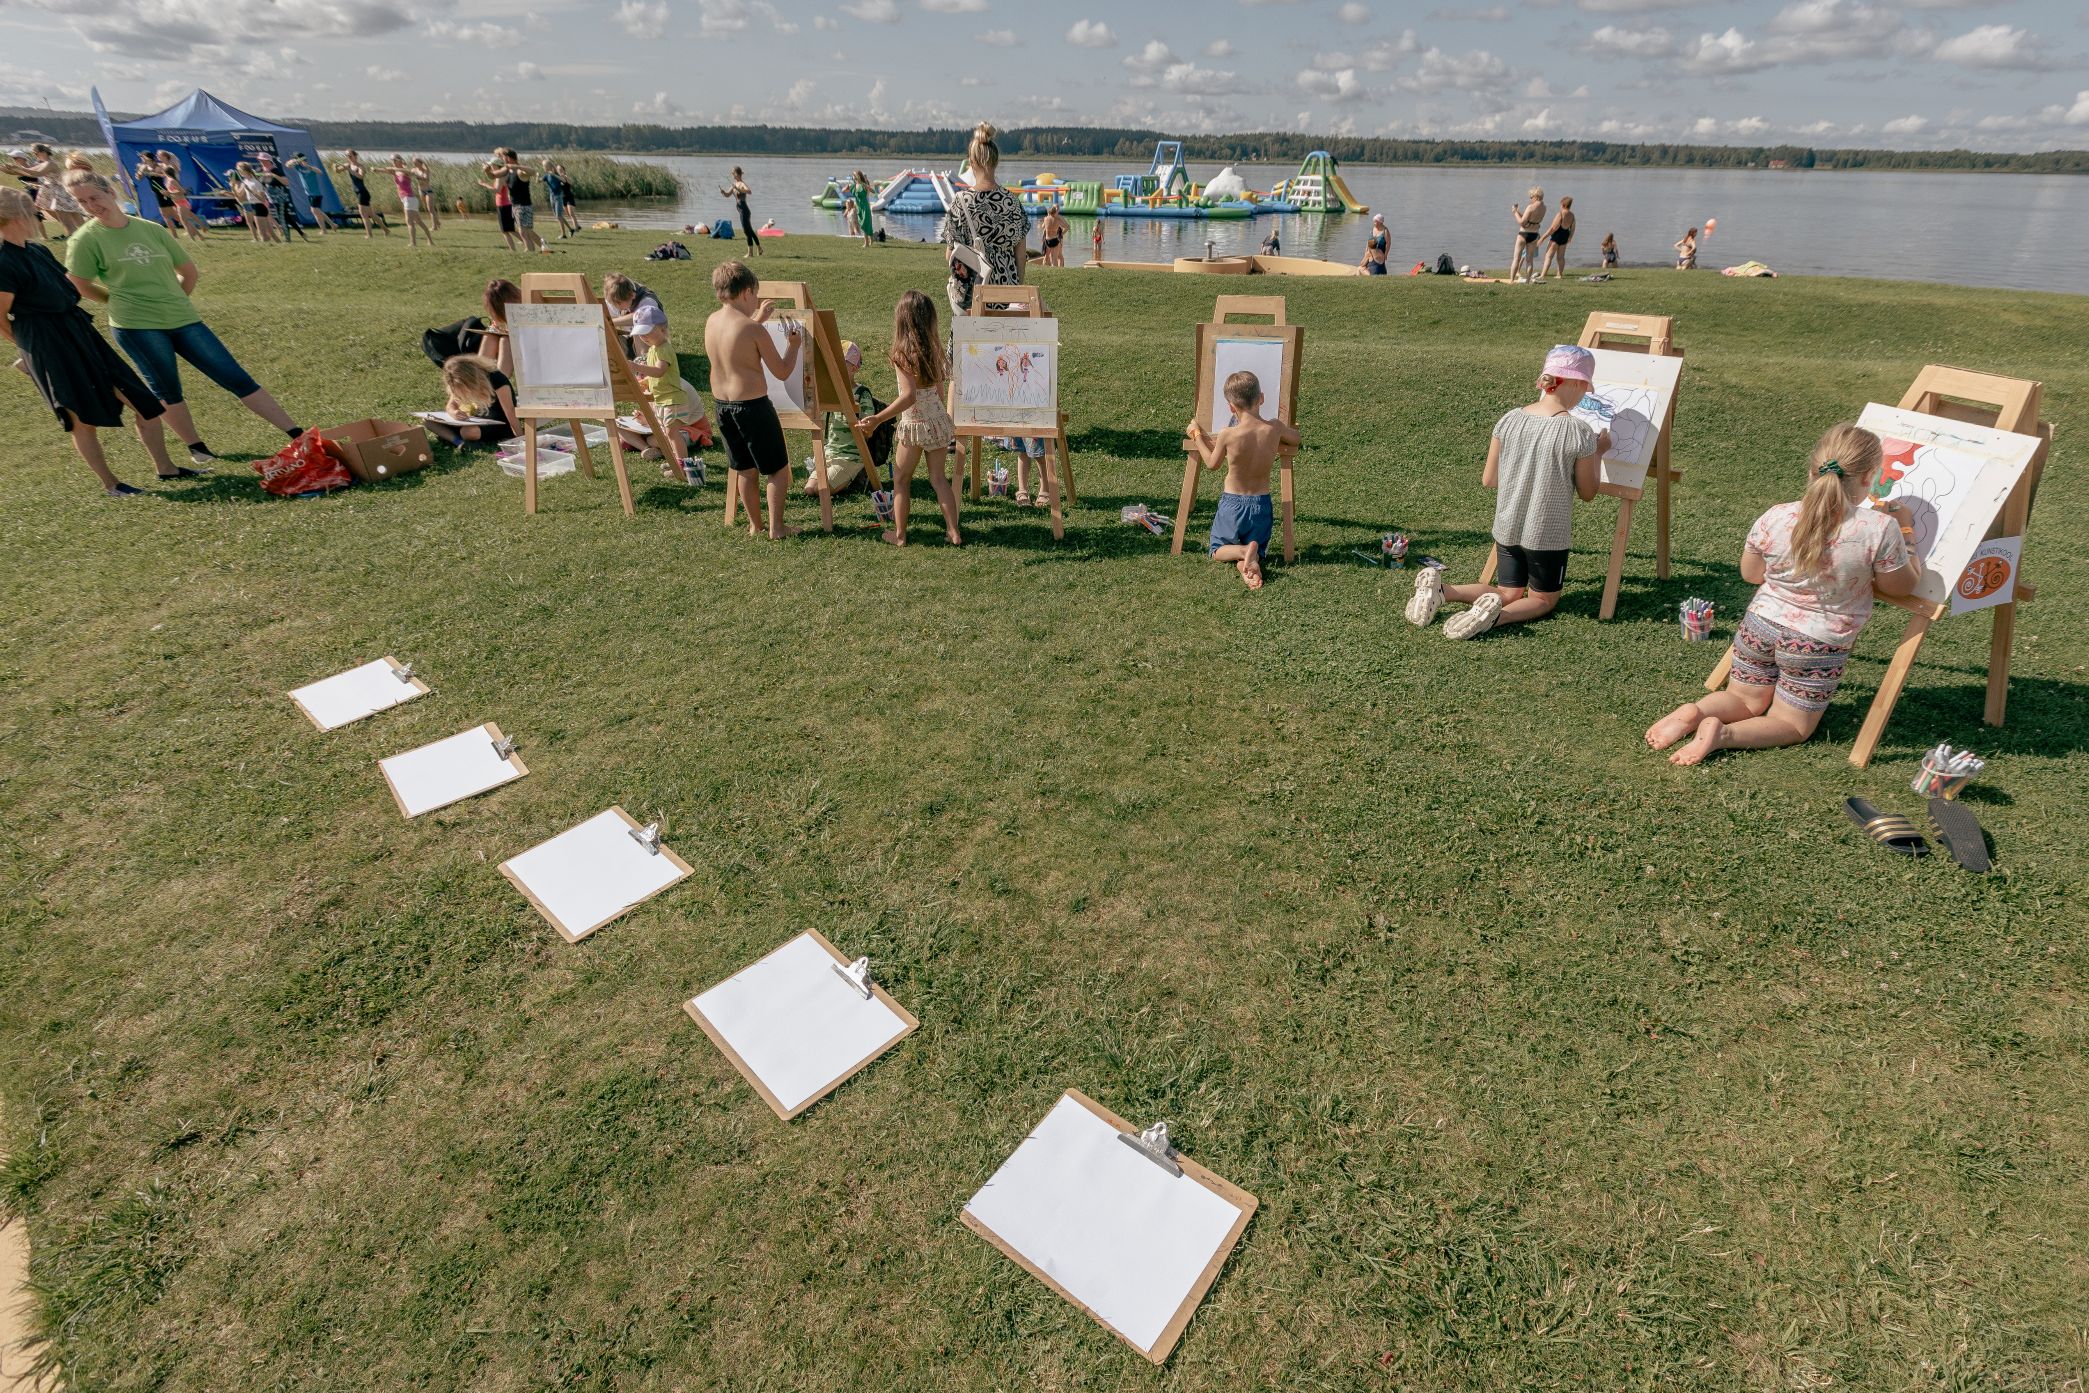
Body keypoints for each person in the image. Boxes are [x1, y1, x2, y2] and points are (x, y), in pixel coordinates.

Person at [1648, 425, 1920, 766]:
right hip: (1816, 643)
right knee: (1792, 725)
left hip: (1759, 627)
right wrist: (1906, 530)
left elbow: (1751, 574)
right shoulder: (1880, 528)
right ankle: (1723, 735)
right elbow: (1901, 587)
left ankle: (1696, 712)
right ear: (1869, 477)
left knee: (1744, 700)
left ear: (1811, 470)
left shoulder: (1776, 515)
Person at [62, 171, 304, 465]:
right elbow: (79, 284)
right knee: (167, 389)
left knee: (235, 377)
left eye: (95, 197)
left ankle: (296, 433)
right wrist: (115, 300)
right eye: (82, 202)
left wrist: (176, 300)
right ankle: (197, 447)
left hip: (184, 319)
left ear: (111, 193)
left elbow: (188, 272)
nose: (91, 205)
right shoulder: (85, 239)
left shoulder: (151, 229)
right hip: (136, 326)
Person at [1406, 344, 1607, 640]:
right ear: (1577, 383)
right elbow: (1588, 492)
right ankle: (1495, 617)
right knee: (1543, 600)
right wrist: (1599, 452)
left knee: (1508, 591)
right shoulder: (1578, 431)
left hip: (1507, 526)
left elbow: (1489, 479)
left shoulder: (1510, 419)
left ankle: (1443, 591)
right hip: (1546, 533)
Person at [0, 187, 184, 494]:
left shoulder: (37, 251)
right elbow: (0, 316)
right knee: (79, 417)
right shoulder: (4, 261)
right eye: (32, 211)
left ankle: (167, 469)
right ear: (17, 217)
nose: (37, 216)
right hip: (46, 340)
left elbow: (67, 286)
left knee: (143, 401)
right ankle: (111, 485)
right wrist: (30, 351)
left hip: (78, 330)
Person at [704, 259, 802, 537]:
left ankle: (755, 525)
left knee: (745, 469)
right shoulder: (753, 329)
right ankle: (777, 527)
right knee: (777, 470)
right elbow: (781, 371)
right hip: (752, 407)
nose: (756, 301)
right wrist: (794, 346)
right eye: (755, 295)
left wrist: (757, 317)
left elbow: (736, 344)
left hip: (723, 406)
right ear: (747, 292)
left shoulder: (712, 321)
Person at [857, 290, 960, 548]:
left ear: (902, 319)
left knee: (901, 480)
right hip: (937, 421)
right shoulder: (935, 349)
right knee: (939, 479)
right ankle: (953, 531)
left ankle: (900, 535)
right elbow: (939, 391)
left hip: (914, 425)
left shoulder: (902, 354)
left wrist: (878, 418)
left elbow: (909, 396)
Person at [1185, 370, 1299, 591]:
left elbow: (1212, 464)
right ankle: (1249, 561)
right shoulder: (1274, 428)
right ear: (1261, 398)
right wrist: (1283, 431)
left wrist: (1196, 435)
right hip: (1261, 505)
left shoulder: (1228, 434)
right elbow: (1295, 439)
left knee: (1217, 550)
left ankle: (1243, 551)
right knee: (1258, 550)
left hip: (1232, 504)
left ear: (1231, 407)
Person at [941, 123, 1026, 317]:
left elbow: (950, 255)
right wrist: (1015, 289)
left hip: (972, 299)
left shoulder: (960, 203)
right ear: (996, 161)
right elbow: (1021, 257)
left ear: (972, 163)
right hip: (1006, 298)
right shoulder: (1013, 202)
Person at [803, 340, 881, 496]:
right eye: (833, 364)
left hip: (850, 456)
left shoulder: (862, 393)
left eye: (841, 364)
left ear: (854, 368)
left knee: (821, 491)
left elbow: (869, 429)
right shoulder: (831, 393)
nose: (835, 368)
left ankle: (859, 474)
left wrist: (863, 426)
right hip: (830, 453)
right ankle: (844, 478)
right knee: (809, 490)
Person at [425, 356, 518, 449]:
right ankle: (459, 442)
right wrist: (454, 412)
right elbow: (451, 405)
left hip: (499, 424)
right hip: (475, 420)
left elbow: (510, 411)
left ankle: (451, 437)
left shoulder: (496, 378)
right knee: (429, 422)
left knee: (467, 432)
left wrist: (520, 437)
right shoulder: (456, 382)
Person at [495, 150, 545, 254]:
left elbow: (533, 171)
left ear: (509, 158)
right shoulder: (508, 172)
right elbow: (496, 177)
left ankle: (531, 251)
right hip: (515, 205)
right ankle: (543, 246)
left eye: (503, 157)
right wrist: (489, 170)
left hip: (523, 205)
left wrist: (517, 167)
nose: (502, 159)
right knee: (527, 231)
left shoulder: (519, 171)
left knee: (523, 231)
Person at [333, 151, 388, 238]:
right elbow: (338, 171)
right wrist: (335, 167)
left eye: (350, 155)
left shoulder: (360, 166)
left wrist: (349, 170)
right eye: (347, 156)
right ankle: (385, 230)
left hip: (362, 192)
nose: (348, 157)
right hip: (358, 192)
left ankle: (369, 235)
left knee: (364, 214)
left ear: (355, 156)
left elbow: (361, 176)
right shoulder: (348, 165)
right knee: (371, 214)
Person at [156, 153, 208, 240]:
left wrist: (169, 193)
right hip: (178, 203)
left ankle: (196, 237)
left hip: (181, 203)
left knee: (184, 220)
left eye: (159, 156)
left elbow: (182, 191)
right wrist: (167, 193)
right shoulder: (168, 179)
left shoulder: (172, 179)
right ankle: (200, 232)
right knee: (187, 217)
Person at [388, 155, 435, 247]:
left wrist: (394, 169)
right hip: (406, 199)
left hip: (409, 198)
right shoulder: (395, 171)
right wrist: (377, 170)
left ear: (399, 160)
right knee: (418, 221)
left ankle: (413, 243)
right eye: (391, 160)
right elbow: (386, 170)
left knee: (409, 221)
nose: (392, 162)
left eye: (394, 160)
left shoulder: (406, 170)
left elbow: (409, 172)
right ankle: (430, 240)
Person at [478, 160, 519, 252]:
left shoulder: (500, 177)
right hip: (505, 205)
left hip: (503, 205)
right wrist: (487, 170)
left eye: (492, 165)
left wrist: (484, 184)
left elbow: (497, 190)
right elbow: (491, 176)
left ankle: (513, 250)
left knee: (505, 231)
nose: (491, 167)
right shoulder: (501, 175)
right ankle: (526, 244)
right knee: (510, 229)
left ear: (497, 166)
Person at [233, 163, 279, 245]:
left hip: (260, 206)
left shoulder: (256, 182)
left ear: (245, 170)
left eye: (239, 170)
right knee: (271, 233)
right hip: (253, 206)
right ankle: (280, 245)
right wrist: (233, 187)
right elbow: (239, 195)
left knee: (263, 234)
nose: (239, 172)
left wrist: (250, 191)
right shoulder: (245, 181)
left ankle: (267, 249)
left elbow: (262, 199)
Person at [285, 153, 330, 236]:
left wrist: (308, 166)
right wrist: (294, 161)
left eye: (296, 158)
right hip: (309, 193)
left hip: (316, 193)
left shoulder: (310, 166)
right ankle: (328, 227)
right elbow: (288, 165)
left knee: (315, 210)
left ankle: (327, 227)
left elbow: (320, 172)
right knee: (317, 211)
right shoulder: (298, 167)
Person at [720, 166, 759, 255]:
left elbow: (749, 191)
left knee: (746, 231)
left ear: (737, 174)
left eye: (733, 173)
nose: (732, 174)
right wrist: (723, 192)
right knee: (750, 230)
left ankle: (750, 253)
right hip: (741, 210)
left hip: (744, 210)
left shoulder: (741, 183)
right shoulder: (734, 184)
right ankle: (759, 248)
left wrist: (737, 188)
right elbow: (727, 195)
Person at [1510, 185, 1545, 282]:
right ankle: (1528, 281)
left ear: (1536, 196)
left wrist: (1514, 212)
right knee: (1529, 260)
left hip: (1523, 234)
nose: (1530, 199)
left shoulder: (1530, 207)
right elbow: (1530, 220)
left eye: (1531, 197)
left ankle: (1512, 281)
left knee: (1516, 258)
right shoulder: (1544, 208)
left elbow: (1522, 223)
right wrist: (1518, 212)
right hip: (1534, 234)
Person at [1538, 194, 1575, 279]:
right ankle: (1559, 274)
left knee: (1548, 256)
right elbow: (1573, 228)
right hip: (1565, 236)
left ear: (1563, 204)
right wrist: (1570, 238)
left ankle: (1543, 275)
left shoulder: (1560, 214)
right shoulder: (1572, 215)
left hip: (1556, 237)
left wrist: (1543, 238)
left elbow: (1552, 228)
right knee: (1561, 257)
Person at [552, 161, 583, 236]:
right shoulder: (557, 179)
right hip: (562, 198)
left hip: (569, 197)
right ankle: (578, 226)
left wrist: (565, 177)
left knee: (571, 213)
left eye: (561, 169)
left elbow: (571, 183)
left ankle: (576, 229)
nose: (559, 171)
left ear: (564, 170)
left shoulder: (565, 177)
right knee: (568, 214)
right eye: (558, 170)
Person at [542, 162, 572, 238]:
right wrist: (537, 176)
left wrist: (554, 174)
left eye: (544, 166)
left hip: (558, 196)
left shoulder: (556, 174)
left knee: (559, 216)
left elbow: (564, 181)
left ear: (548, 166)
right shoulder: (546, 175)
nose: (543, 167)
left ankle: (563, 234)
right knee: (558, 216)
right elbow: (538, 181)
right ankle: (571, 229)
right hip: (551, 197)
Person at [412, 158, 441, 230]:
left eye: (416, 162)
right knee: (428, 208)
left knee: (430, 208)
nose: (415, 164)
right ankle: (437, 222)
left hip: (428, 191)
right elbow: (408, 172)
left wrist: (418, 177)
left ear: (420, 163)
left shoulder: (426, 170)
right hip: (421, 191)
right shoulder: (414, 170)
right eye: (414, 163)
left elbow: (426, 178)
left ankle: (434, 226)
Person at [1039, 202, 1068, 268]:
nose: (1057, 209)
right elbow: (1067, 227)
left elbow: (1043, 227)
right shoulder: (1058, 219)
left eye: (1057, 208)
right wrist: (1061, 234)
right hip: (1055, 239)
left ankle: (1045, 270)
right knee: (1054, 258)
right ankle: (1055, 271)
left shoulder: (1046, 218)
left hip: (1048, 239)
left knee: (1049, 257)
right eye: (1055, 208)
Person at [851, 170, 874, 248]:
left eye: (854, 175)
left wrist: (866, 185)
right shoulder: (854, 186)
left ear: (858, 176)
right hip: (859, 207)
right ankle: (871, 239)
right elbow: (844, 190)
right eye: (853, 175)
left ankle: (866, 243)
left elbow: (873, 191)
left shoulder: (863, 185)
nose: (853, 177)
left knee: (864, 224)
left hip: (865, 207)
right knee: (863, 224)